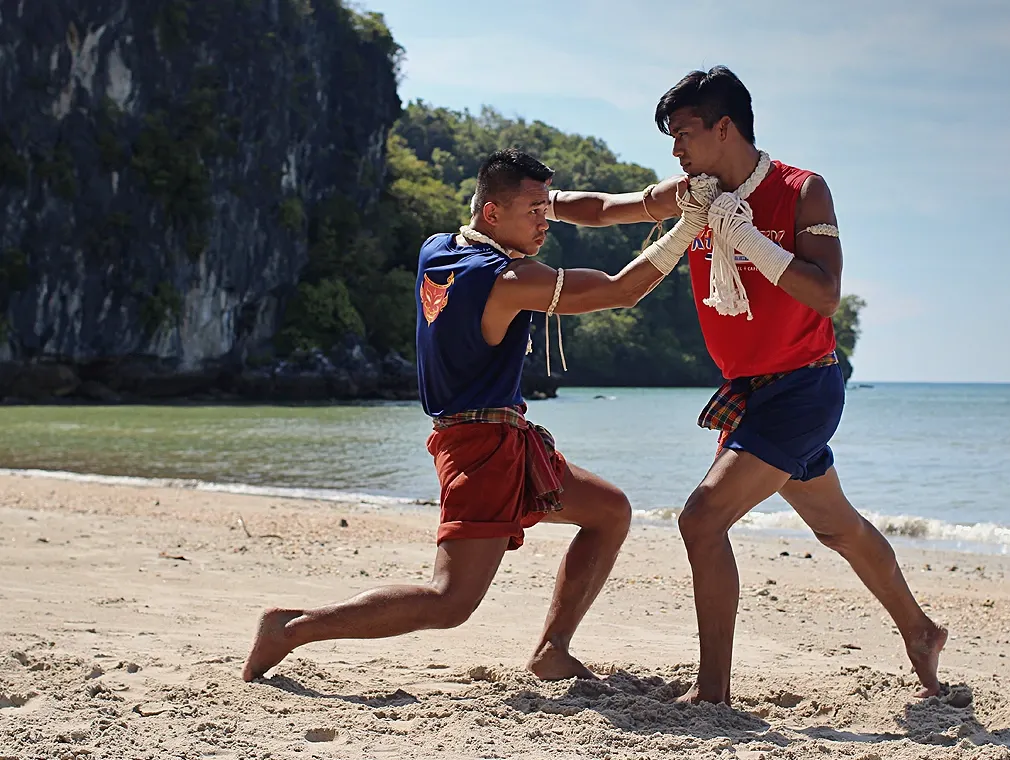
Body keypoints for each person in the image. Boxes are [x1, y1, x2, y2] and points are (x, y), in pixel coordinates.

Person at [546, 66, 948, 704]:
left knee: (701, 520)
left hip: (805, 388)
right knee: (837, 527)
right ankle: (921, 631)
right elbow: (603, 210)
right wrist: (536, 199)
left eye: (683, 133)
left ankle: (713, 692)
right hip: (748, 394)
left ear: (724, 127)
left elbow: (825, 294)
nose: (675, 149)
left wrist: (749, 239)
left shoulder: (802, 190)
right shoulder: (693, 195)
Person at [242, 148, 705, 683]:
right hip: (482, 450)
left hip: (504, 437)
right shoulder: (508, 281)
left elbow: (587, 207)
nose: (544, 222)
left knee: (609, 511)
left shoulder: (437, 249)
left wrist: (673, 195)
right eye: (534, 212)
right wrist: (687, 226)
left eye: (545, 210)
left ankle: (551, 650)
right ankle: (290, 627)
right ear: (492, 213)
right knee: (449, 602)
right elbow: (621, 290)